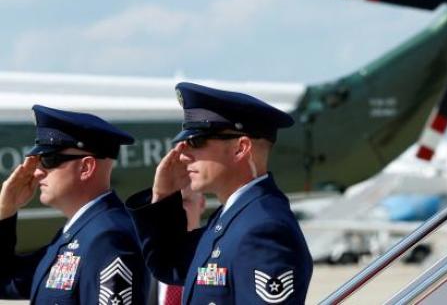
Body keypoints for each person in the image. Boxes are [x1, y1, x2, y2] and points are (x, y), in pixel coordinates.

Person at [126, 81, 313, 305]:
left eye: (196, 141)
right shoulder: (233, 218)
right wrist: (164, 197)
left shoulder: (264, 228)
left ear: (240, 148)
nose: (184, 156)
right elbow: (169, 263)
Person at [0, 105, 149, 304]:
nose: (37, 172)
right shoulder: (77, 233)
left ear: (86, 167)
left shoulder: (108, 237)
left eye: (49, 159)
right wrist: (5, 211)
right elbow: (7, 282)